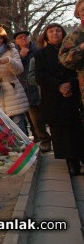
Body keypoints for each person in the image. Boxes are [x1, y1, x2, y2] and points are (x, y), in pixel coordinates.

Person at [36, 22, 84, 175]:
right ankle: (71, 161)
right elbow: (40, 76)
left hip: (74, 94)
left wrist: (70, 84)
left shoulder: (71, 50)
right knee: (63, 133)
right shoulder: (40, 54)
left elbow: (78, 71)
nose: (55, 34)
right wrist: (59, 86)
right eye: (51, 31)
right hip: (54, 97)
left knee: (78, 129)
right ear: (46, 35)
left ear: (63, 34)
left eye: (58, 31)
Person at [0, 26, 29, 134]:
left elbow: (19, 70)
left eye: (0, 38)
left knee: (18, 124)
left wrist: (9, 61)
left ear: (4, 39)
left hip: (13, 91)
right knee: (0, 128)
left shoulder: (12, 50)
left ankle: (25, 149)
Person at [14, 29, 51, 151]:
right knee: (30, 116)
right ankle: (38, 138)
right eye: (20, 37)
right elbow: (15, 69)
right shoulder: (14, 53)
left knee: (40, 115)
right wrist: (21, 57)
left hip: (37, 87)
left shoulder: (37, 51)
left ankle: (45, 139)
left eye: (25, 37)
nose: (23, 39)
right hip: (21, 88)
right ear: (16, 41)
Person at [59, 0, 84, 108]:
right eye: (83, 9)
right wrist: (81, 48)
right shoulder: (74, 36)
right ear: (78, 13)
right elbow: (64, 60)